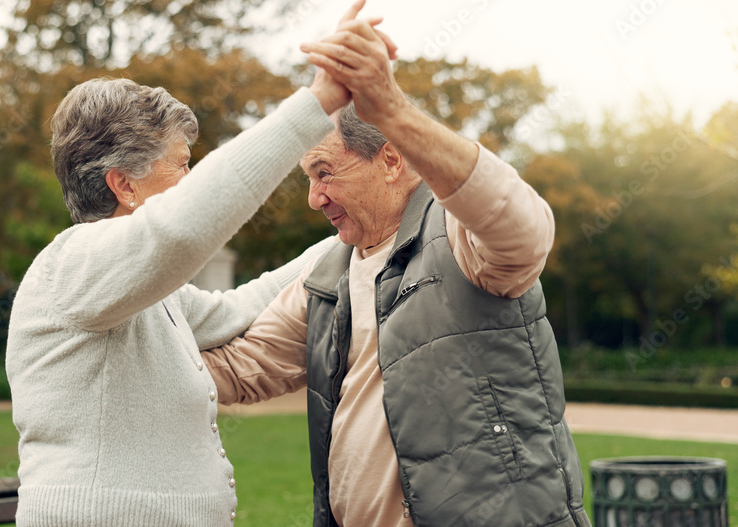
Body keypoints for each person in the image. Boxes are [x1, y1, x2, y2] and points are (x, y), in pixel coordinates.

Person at [202, 4, 592, 527]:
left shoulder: (457, 234)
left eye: (324, 172)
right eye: (307, 178)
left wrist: (389, 107)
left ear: (390, 160)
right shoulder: (327, 272)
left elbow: (523, 229)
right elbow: (238, 370)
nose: (313, 199)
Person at [4, 8, 398, 524]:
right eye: (182, 164)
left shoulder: (141, 294)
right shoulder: (72, 266)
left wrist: (354, 237)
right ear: (124, 185)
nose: (191, 178)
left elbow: (238, 308)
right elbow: (184, 228)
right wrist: (320, 101)